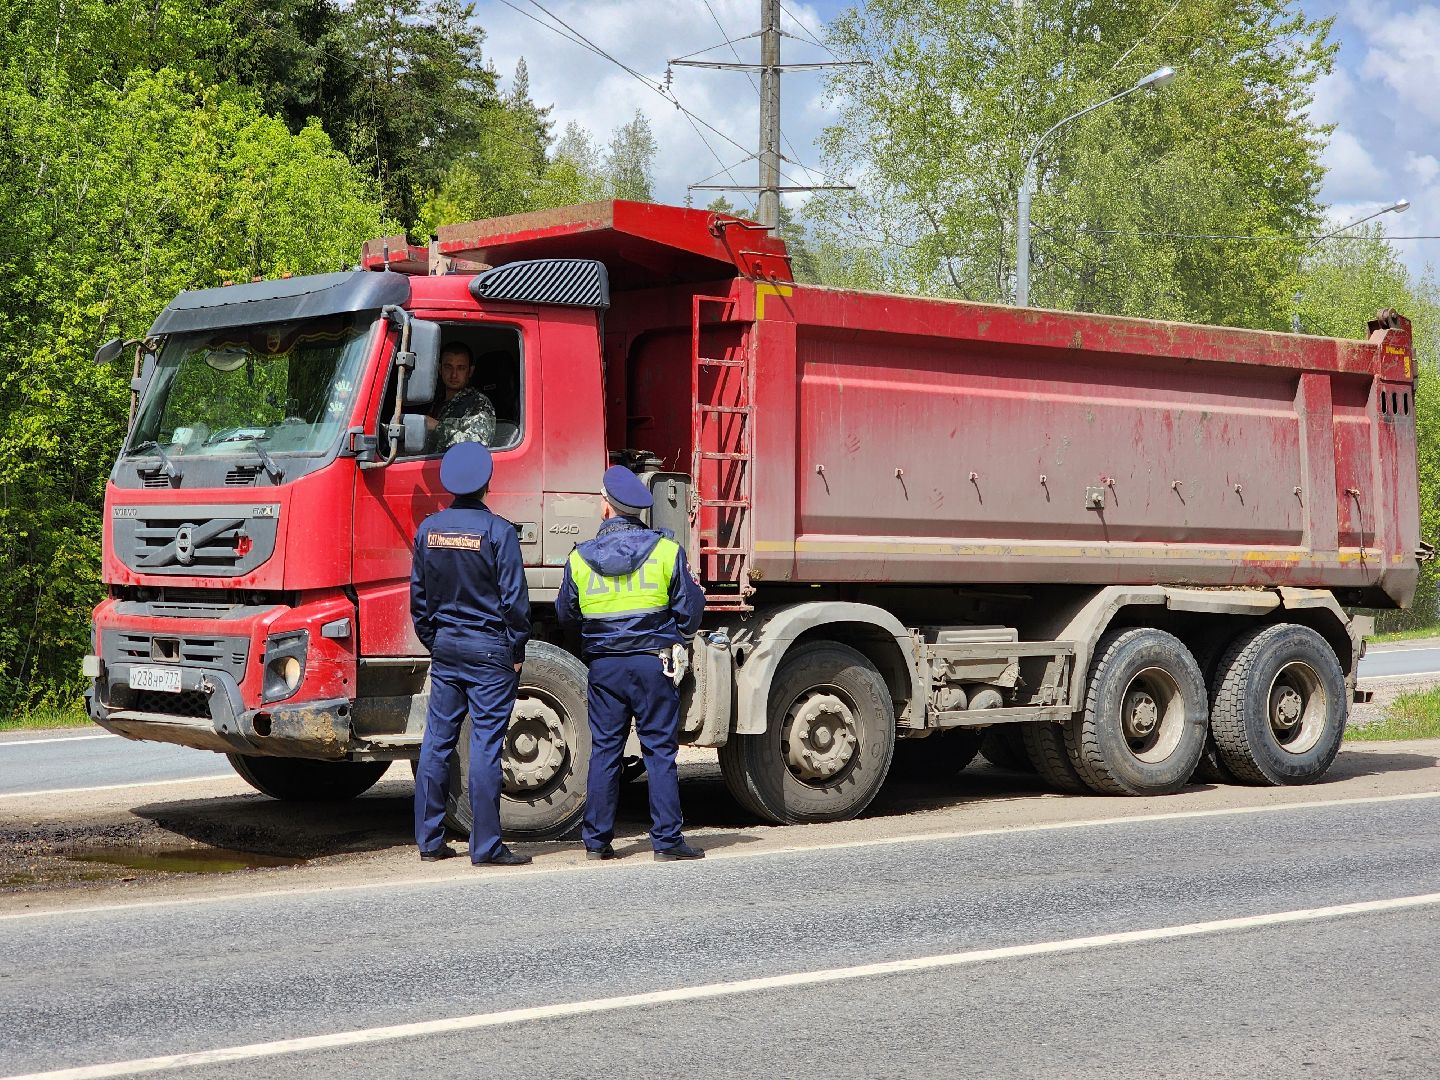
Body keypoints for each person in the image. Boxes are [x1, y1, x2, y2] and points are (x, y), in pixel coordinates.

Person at [557, 465, 707, 862]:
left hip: (605, 666)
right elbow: (690, 612)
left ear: (606, 508)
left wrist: (596, 647)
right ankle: (667, 841)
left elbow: (567, 616)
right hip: (653, 664)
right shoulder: (667, 551)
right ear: (638, 510)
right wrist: (671, 636)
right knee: (659, 750)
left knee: (605, 750)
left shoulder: (579, 559)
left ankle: (596, 842)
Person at [411, 442, 531, 867]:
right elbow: (516, 603)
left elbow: (419, 602)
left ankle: (429, 842)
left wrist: (436, 641)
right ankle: (485, 847)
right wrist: (516, 647)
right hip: (490, 652)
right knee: (485, 746)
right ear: (486, 482)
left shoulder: (428, 530)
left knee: (436, 743)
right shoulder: (499, 532)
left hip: (446, 648)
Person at [425, 343, 496, 452]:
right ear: (440, 369)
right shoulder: (436, 402)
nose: (454, 375)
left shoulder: (478, 403)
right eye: (448, 367)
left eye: (461, 368)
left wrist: (437, 427)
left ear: (470, 371)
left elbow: (476, 447)